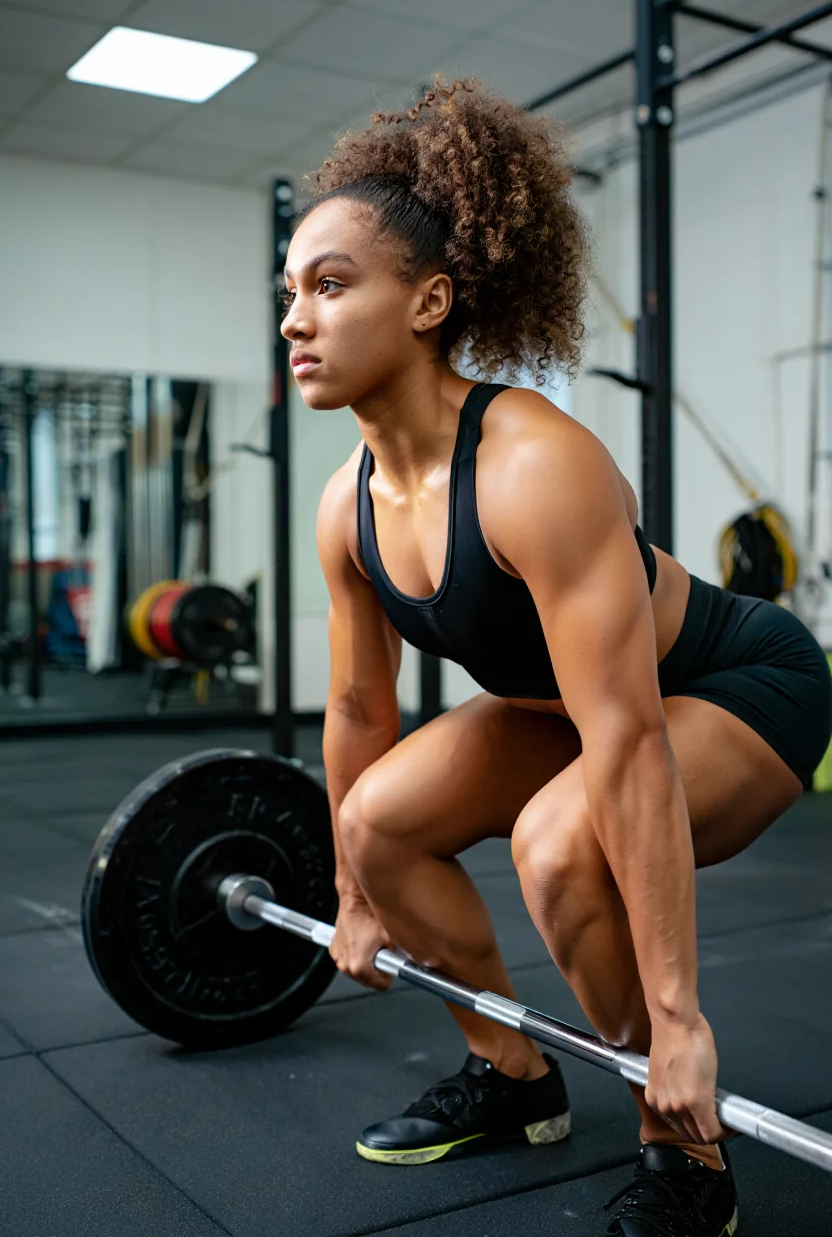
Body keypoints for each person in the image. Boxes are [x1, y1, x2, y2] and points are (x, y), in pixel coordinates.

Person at [280, 76, 832, 1236]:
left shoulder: (535, 466)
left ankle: (682, 1144)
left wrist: (678, 1016)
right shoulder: (348, 504)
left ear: (429, 301)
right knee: (379, 822)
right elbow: (353, 707)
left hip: (735, 686)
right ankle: (512, 1075)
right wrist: (351, 892)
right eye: (289, 291)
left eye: (331, 286)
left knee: (559, 844)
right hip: (575, 711)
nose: (296, 318)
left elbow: (628, 739)